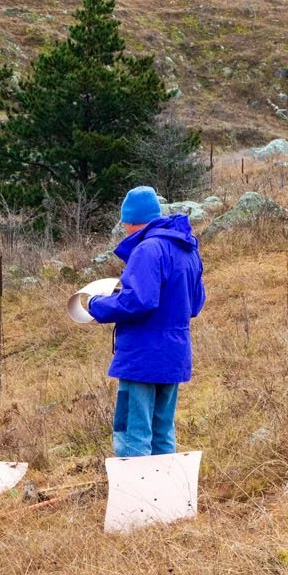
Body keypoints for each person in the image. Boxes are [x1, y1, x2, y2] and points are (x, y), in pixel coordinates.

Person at [87, 186, 206, 457]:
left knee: (132, 432)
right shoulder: (187, 249)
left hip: (142, 356)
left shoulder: (148, 249)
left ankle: (136, 497)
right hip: (174, 354)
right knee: (163, 431)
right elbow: (196, 304)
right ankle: (167, 495)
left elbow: (138, 301)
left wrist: (96, 305)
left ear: (128, 221)